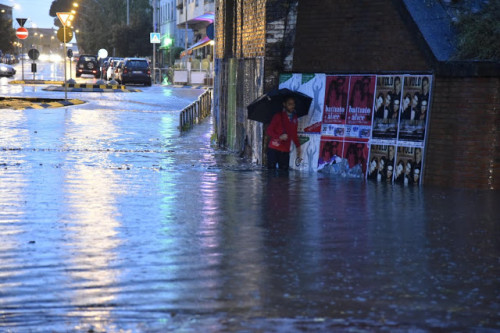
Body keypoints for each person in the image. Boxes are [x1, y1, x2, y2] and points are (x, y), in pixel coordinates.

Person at [266, 95, 301, 170]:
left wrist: (298, 146)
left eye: (293, 104)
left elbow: (294, 134)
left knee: (284, 176)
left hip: (285, 151)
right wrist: (279, 137)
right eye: (289, 104)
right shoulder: (278, 116)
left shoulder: (295, 118)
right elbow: (269, 131)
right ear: (284, 104)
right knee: (271, 175)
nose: (292, 106)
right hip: (273, 149)